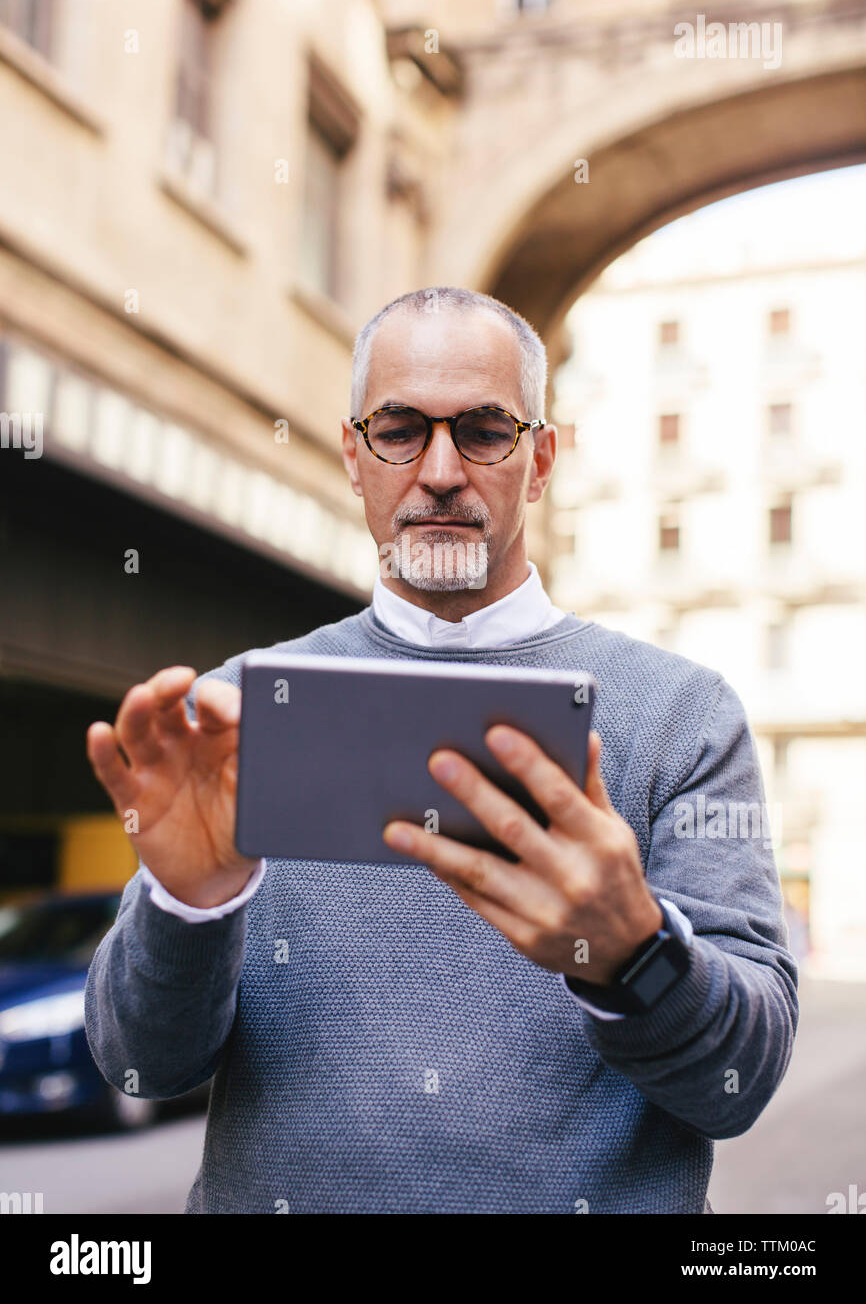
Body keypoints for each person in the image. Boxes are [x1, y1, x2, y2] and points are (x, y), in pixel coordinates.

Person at [85, 286, 798, 1214]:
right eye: (399, 429)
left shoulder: (684, 716)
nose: (441, 470)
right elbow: (141, 1068)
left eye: (486, 430)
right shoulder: (237, 714)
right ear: (353, 454)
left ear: (540, 460)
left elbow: (737, 1087)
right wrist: (187, 905)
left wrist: (635, 952)